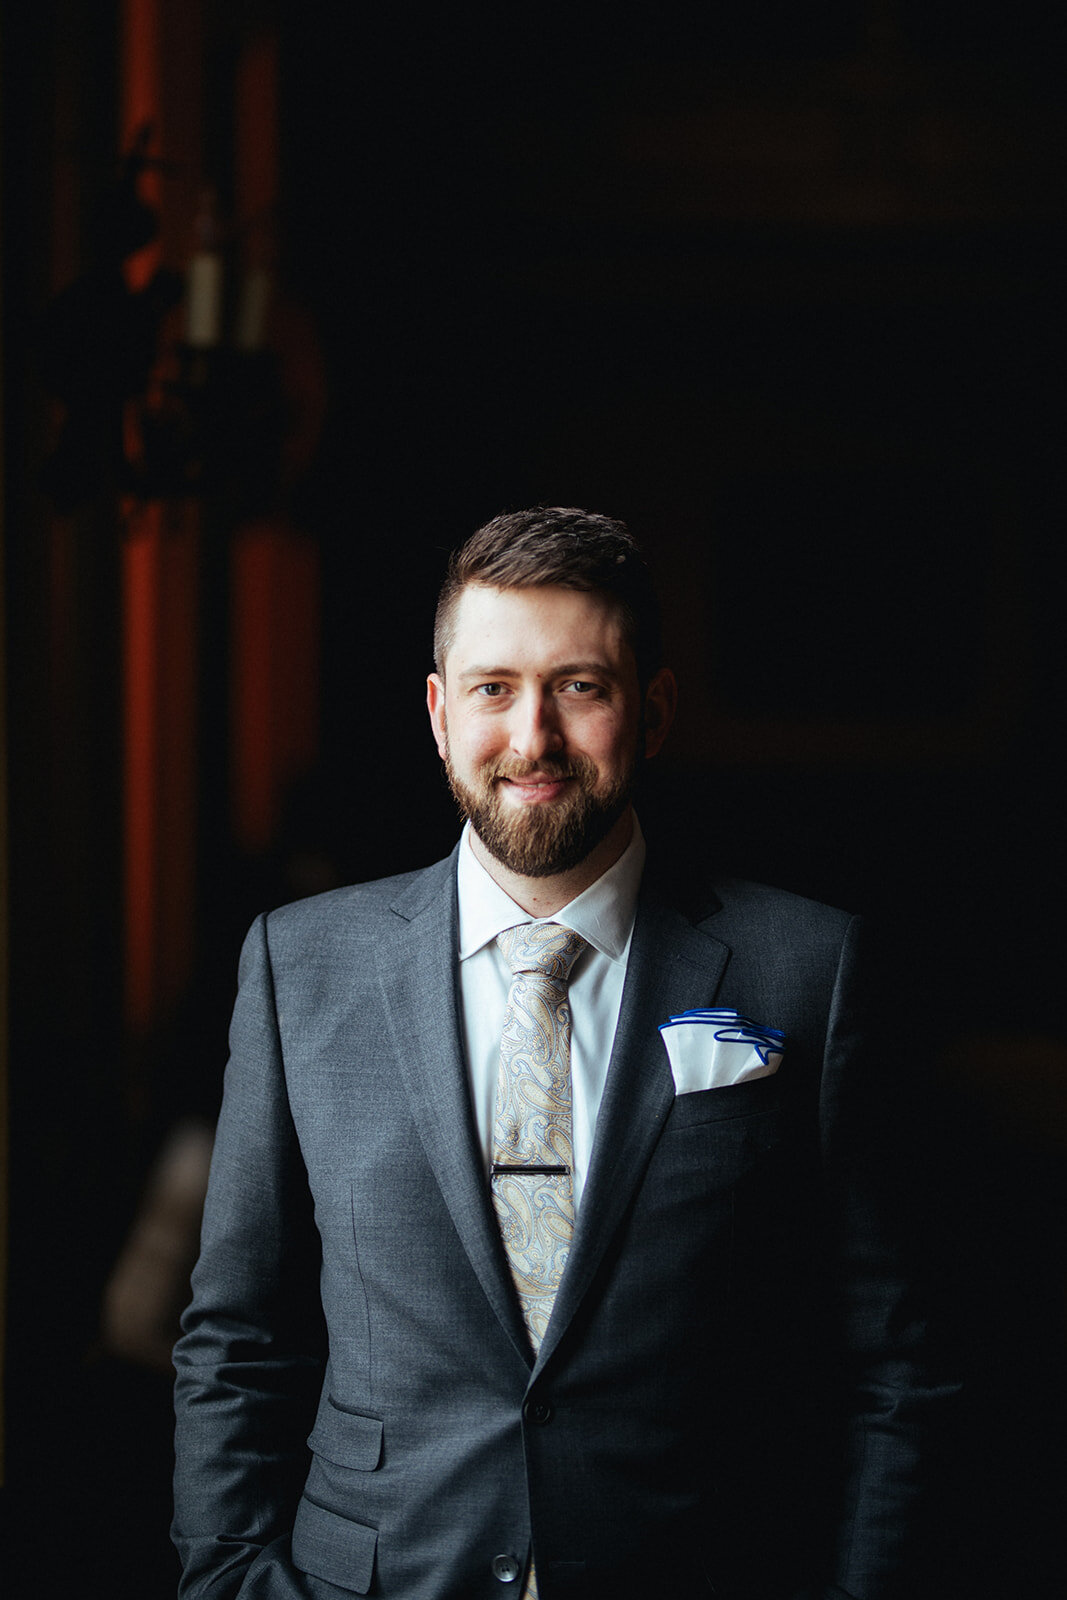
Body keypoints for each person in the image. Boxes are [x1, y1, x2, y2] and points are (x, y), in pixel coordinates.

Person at [173, 507, 954, 1600]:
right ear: (440, 715)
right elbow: (236, 1336)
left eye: (579, 686)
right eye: (493, 688)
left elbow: (896, 1366)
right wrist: (223, 1578)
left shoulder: (808, 969)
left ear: (654, 710)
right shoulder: (298, 966)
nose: (531, 736)